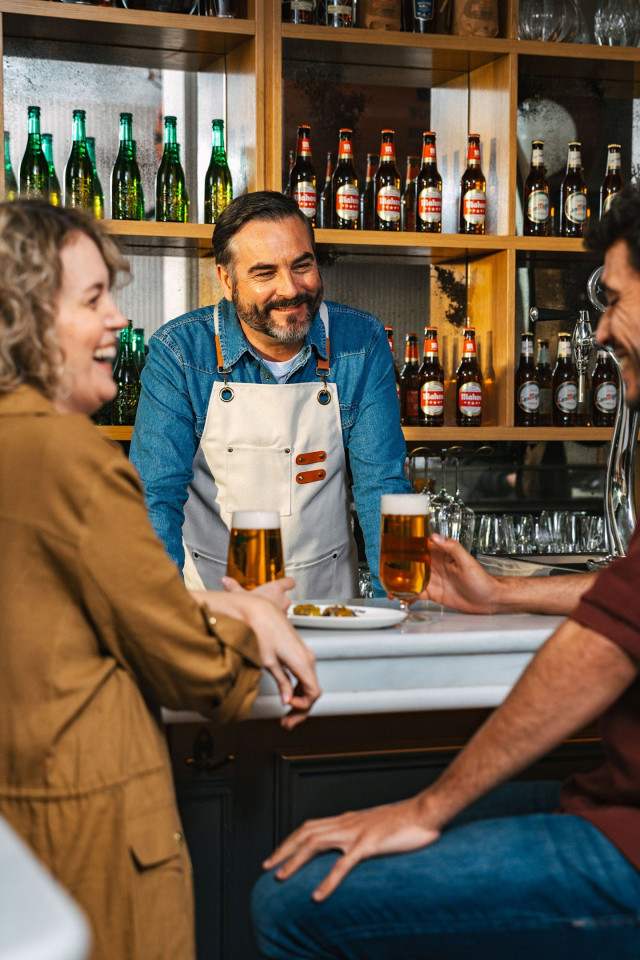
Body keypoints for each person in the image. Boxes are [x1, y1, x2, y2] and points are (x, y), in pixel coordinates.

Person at [250, 185, 640, 959]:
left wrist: (427, 806)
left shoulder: (355, 342)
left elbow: (607, 641)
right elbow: (630, 591)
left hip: (626, 846)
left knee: (290, 900)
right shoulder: (183, 351)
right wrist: (500, 594)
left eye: (617, 300)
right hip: (610, 805)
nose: (598, 329)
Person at [0, 199, 319, 960]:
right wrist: (253, 617)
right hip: (95, 828)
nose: (118, 319)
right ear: (26, 318)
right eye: (92, 299)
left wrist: (208, 597)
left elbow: (66, 608)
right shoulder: (73, 457)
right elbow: (200, 670)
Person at [130, 191, 409, 601]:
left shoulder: (361, 341)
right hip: (217, 607)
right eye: (264, 273)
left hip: (329, 606)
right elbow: (153, 497)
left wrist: (396, 610)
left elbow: (381, 487)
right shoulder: (181, 351)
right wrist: (161, 618)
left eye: (302, 264)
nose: (290, 289)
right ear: (227, 280)